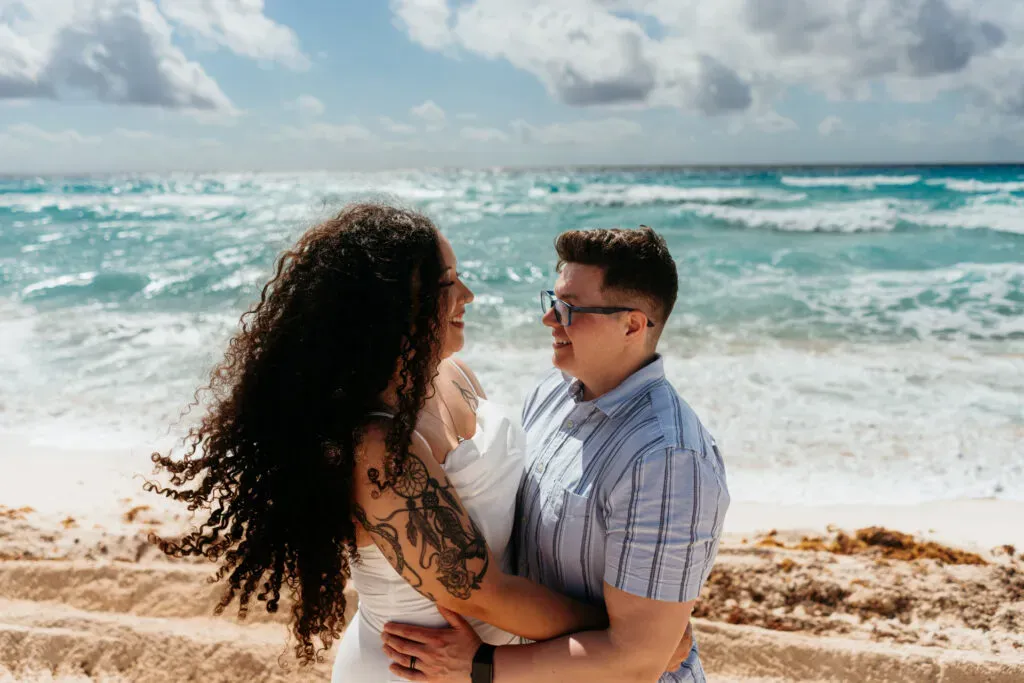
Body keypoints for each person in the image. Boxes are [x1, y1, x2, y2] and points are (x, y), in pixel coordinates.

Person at [145, 203, 611, 682]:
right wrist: (618, 631)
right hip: (416, 670)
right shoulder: (376, 447)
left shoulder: (452, 374)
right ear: (392, 304)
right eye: (447, 284)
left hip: (485, 665)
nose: (467, 296)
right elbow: (481, 593)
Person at [380, 226, 730, 683]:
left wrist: (481, 666)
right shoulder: (554, 392)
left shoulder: (666, 460)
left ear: (632, 325)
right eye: (552, 299)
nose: (550, 319)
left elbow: (640, 661)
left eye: (571, 309)